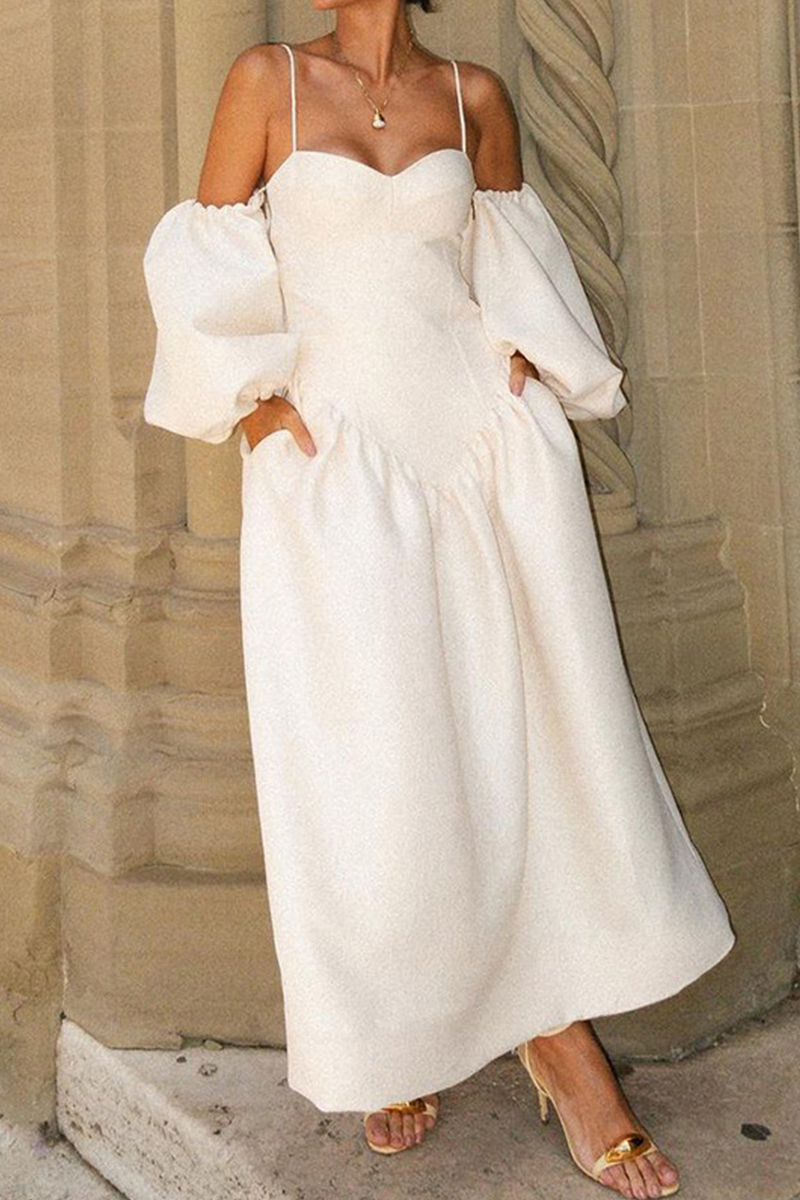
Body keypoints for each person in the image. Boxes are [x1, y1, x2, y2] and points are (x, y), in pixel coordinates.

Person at [141, 2, 736, 1196]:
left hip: (481, 450)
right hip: (337, 459)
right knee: (374, 754)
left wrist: (525, 361)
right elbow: (205, 256)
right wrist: (255, 407)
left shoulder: (473, 95)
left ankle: (558, 1043)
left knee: (531, 737)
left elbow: (507, 257)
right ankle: (397, 1030)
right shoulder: (266, 80)